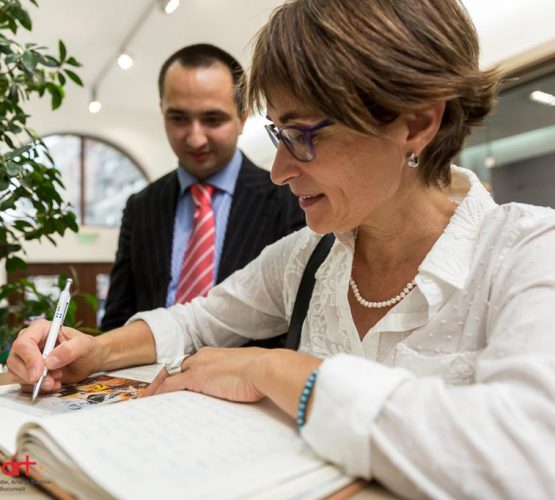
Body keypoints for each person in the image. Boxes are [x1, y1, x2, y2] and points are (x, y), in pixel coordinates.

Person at [8, 1, 555, 498]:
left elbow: (531, 456)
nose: (278, 170)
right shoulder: (309, 255)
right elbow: (198, 320)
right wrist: (95, 352)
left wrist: (273, 370)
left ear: (415, 123)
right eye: (278, 133)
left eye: (302, 135)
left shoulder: (527, 251)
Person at [100, 43, 305, 331]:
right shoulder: (141, 206)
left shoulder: (291, 199)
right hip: (150, 359)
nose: (195, 139)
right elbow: (117, 319)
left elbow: (298, 322)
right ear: (163, 113)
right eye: (179, 119)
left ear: (242, 117)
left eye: (213, 119)